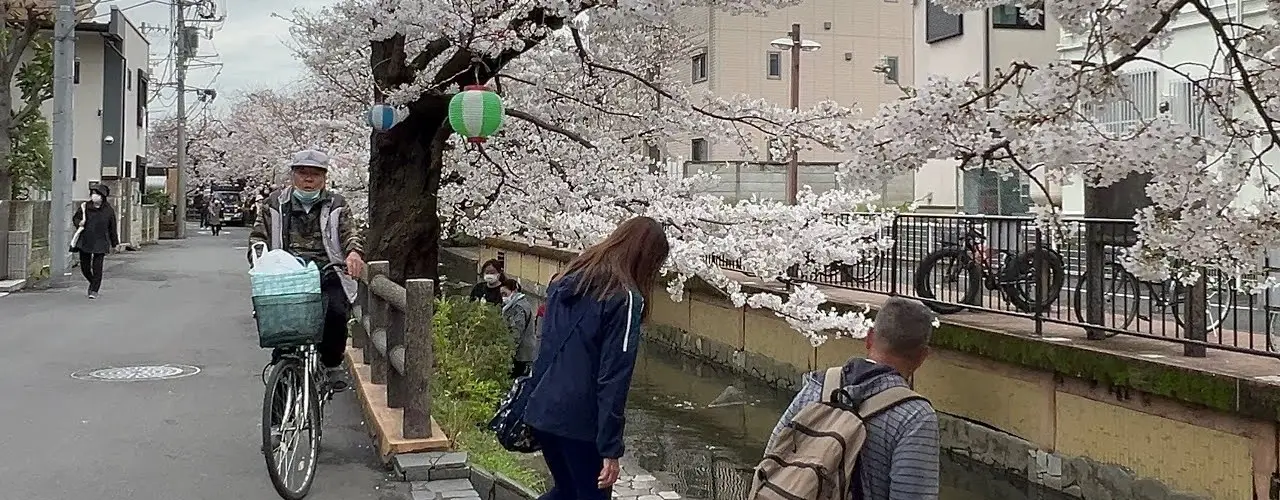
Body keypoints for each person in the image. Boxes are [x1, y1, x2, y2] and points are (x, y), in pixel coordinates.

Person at [523, 216, 670, 500]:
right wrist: (610, 449)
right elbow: (614, 378)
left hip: (543, 410)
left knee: (566, 492)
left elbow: (545, 347)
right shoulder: (625, 298)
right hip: (581, 422)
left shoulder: (565, 281)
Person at [766, 296, 941, 500]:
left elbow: (773, 454)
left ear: (868, 338)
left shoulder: (819, 386)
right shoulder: (915, 417)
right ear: (922, 356)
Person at [249, 148, 367, 390]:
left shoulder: (336, 204)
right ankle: (279, 403)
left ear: (324, 178)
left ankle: (332, 365)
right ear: (293, 176)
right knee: (284, 333)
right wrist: (260, 260)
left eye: (315, 174)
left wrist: (354, 253)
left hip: (327, 269)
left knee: (336, 311)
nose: (309, 179)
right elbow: (258, 237)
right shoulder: (275, 203)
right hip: (286, 274)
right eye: (303, 173)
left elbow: (350, 234)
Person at [71, 184, 122, 300]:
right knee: (84, 267)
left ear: (103, 196)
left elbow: (112, 228)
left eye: (97, 194)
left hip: (101, 241)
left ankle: (94, 289)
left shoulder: (108, 210)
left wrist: (115, 243)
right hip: (85, 240)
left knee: (97, 267)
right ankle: (93, 282)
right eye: (93, 193)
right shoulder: (85, 207)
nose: (95, 196)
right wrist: (79, 222)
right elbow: (76, 218)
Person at [499, 278, 538, 378]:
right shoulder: (521, 304)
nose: (503, 297)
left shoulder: (519, 308)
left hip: (521, 355)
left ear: (514, 291)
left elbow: (516, 332)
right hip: (525, 353)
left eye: (505, 294)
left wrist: (508, 352)